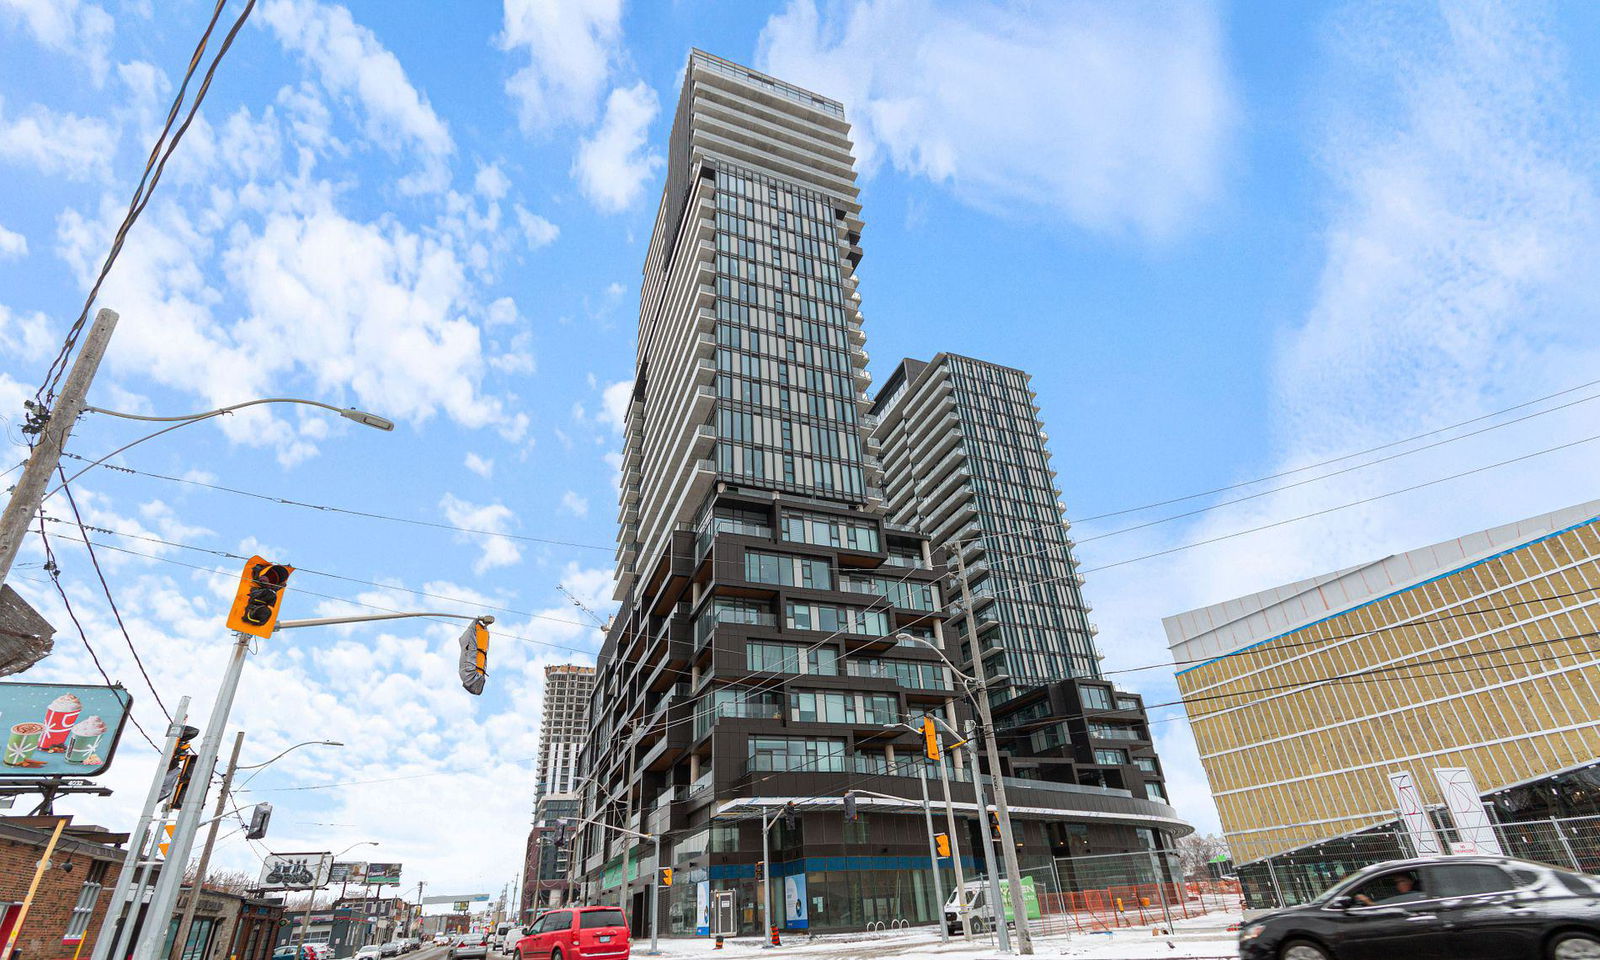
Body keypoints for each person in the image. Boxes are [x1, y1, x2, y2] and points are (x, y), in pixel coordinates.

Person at [1354, 872, 1424, 906]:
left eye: (1401, 881)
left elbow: (1387, 910)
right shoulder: (1401, 896)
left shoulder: (1413, 896)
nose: (1398, 885)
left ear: (1411, 881)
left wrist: (1368, 902)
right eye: (1396, 883)